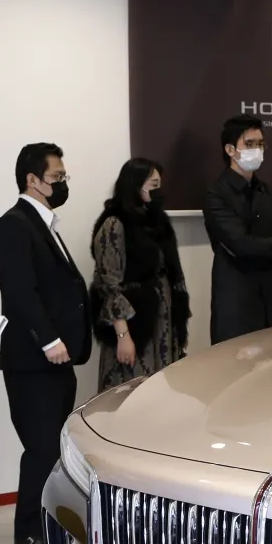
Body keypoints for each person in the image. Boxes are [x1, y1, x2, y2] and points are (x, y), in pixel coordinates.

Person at [0, 142, 89, 544]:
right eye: (56, 177)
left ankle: (50, 526)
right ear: (32, 180)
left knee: (54, 449)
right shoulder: (13, 225)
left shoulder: (44, 225)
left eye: (64, 176)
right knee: (41, 449)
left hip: (58, 359)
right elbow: (19, 292)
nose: (62, 183)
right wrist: (48, 340)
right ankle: (28, 534)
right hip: (33, 360)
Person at [89, 157, 189, 392]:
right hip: (135, 327)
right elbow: (108, 284)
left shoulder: (159, 222)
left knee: (161, 393)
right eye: (153, 185)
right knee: (132, 393)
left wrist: (179, 326)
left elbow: (173, 272)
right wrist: (123, 335)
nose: (158, 191)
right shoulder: (114, 224)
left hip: (162, 325)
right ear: (135, 185)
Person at [203, 115, 272, 344]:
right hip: (237, 299)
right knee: (234, 362)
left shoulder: (270, 192)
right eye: (249, 144)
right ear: (230, 150)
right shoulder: (216, 193)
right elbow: (239, 245)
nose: (256, 150)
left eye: (260, 144)